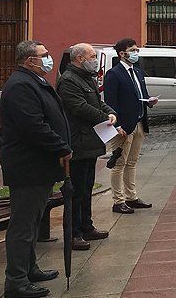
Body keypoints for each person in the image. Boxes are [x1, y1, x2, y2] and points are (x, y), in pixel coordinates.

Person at [0, 40, 70, 298]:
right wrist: (61, 147)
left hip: (38, 166)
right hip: (28, 167)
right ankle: (16, 281)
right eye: (45, 55)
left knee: (32, 221)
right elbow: (33, 126)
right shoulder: (21, 85)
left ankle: (29, 269)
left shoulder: (32, 81)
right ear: (30, 60)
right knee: (23, 225)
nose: (49, 59)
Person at [56, 43, 123, 251]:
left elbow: (98, 102)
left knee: (86, 188)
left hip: (91, 141)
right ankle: (74, 233)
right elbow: (79, 107)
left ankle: (87, 226)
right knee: (76, 190)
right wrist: (104, 117)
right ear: (80, 59)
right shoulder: (68, 81)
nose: (95, 59)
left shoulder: (87, 78)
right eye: (93, 56)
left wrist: (110, 112)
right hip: (77, 141)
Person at [103, 38, 156, 214]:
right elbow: (110, 102)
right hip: (123, 126)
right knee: (119, 163)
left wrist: (149, 101)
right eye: (132, 50)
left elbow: (142, 94)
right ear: (122, 54)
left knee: (132, 162)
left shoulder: (138, 72)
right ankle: (118, 201)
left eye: (136, 50)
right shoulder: (114, 74)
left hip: (139, 122)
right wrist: (116, 125)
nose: (135, 53)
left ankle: (131, 197)